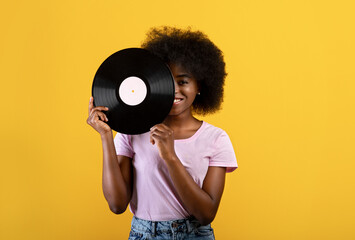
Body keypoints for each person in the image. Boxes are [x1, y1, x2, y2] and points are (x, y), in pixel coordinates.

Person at [87, 26, 238, 240]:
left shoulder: (216, 139)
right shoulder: (132, 131)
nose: (175, 90)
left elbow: (206, 214)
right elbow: (117, 204)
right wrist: (105, 136)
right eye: (167, 81)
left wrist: (170, 155)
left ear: (200, 86)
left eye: (183, 82)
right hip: (144, 234)